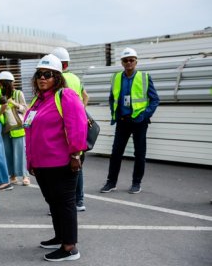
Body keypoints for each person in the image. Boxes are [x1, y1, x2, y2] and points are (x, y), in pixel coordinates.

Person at [25, 54, 88, 262]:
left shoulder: (65, 96)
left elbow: (77, 126)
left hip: (62, 162)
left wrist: (76, 155)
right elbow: (31, 132)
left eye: (48, 74)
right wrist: (31, 160)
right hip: (42, 164)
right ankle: (60, 237)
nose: (42, 78)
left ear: (57, 77)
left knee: (65, 203)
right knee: (53, 203)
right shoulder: (38, 101)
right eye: (39, 74)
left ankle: (70, 247)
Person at [100, 47, 160, 194]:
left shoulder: (144, 77)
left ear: (136, 61)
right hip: (122, 120)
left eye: (131, 60)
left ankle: (136, 183)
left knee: (139, 154)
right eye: (125, 60)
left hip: (139, 121)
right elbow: (112, 98)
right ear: (122, 62)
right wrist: (114, 113)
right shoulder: (116, 77)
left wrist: (144, 115)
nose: (128, 63)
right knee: (116, 153)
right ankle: (111, 182)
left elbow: (155, 100)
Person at [52, 47, 89, 212]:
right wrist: (81, 111)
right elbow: (86, 96)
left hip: (61, 125)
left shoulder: (57, 79)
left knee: (60, 165)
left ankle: (63, 201)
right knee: (77, 162)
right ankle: (79, 201)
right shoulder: (76, 78)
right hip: (78, 125)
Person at [0, 71, 30, 186]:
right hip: (5, 128)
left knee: (20, 153)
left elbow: (25, 109)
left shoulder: (18, 94)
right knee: (8, 153)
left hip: (17, 127)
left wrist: (14, 104)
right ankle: (13, 176)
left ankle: (25, 176)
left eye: (1, 83)